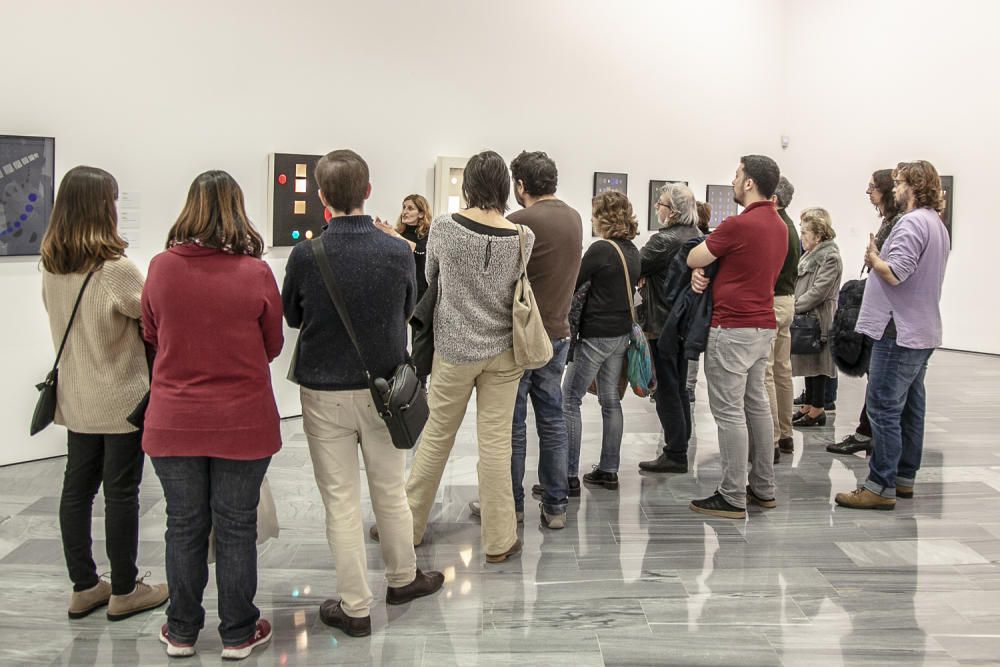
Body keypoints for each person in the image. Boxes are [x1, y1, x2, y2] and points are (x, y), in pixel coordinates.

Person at [282, 150, 444, 637]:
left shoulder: (306, 255)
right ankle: (403, 578)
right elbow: (408, 309)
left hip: (323, 391)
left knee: (340, 500)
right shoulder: (397, 251)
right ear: (369, 192)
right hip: (385, 389)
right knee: (390, 491)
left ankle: (355, 606)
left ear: (322, 197)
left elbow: (293, 316)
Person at [143, 171, 281, 660]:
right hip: (243, 420)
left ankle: (181, 630)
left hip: (173, 419)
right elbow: (273, 344)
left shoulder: (160, 267)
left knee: (184, 525)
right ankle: (239, 632)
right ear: (237, 210)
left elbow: (152, 333)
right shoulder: (256, 273)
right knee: (236, 525)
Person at [39, 166, 168, 623]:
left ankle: (84, 586)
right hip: (121, 400)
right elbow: (152, 317)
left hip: (77, 400)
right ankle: (126, 589)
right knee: (121, 493)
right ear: (103, 208)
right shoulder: (117, 270)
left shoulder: (52, 265)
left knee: (76, 489)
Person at [400, 150, 533, 563]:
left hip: (455, 351)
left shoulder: (443, 228)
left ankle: (408, 528)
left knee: (436, 437)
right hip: (505, 353)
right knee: (495, 446)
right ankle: (499, 541)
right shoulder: (522, 236)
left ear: (470, 185)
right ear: (505, 187)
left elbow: (430, 278)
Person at [469, 150, 582, 529]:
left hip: (521, 338)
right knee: (551, 418)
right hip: (559, 334)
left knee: (512, 424)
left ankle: (511, 507)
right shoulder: (574, 217)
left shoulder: (517, 222)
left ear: (520, 186)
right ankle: (556, 507)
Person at [835, 160, 950, 510]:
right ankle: (903, 478)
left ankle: (879, 485)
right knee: (911, 408)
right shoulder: (935, 224)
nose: (895, 189)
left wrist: (873, 256)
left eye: (899, 183)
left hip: (897, 330)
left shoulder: (912, 222)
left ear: (913, 187)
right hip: (919, 329)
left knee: (883, 407)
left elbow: (896, 273)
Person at [686, 155, 788, 519]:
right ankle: (763, 487)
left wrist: (700, 270)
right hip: (762, 325)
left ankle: (731, 494)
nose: (733, 180)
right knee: (756, 405)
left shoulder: (737, 224)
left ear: (749, 183)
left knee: (729, 412)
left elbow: (695, 255)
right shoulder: (779, 225)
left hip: (732, 328)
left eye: (737, 175)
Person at [563, 191, 641, 491]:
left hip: (596, 335)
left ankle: (568, 475)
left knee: (569, 399)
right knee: (611, 401)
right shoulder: (632, 250)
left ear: (603, 216)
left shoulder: (601, 250)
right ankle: (609, 469)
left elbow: (573, 282)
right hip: (621, 335)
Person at [827, 169, 903, 455]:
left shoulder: (898, 223)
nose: (868, 193)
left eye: (872, 187)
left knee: (881, 380)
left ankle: (869, 437)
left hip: (887, 316)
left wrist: (873, 258)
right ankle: (866, 432)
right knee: (878, 377)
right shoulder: (890, 222)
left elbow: (893, 269)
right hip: (881, 312)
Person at [636, 183, 701, 473]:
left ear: (672, 211)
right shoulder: (696, 235)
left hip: (661, 323)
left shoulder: (663, 241)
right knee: (679, 386)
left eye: (660, 203)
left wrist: (643, 277)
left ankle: (675, 452)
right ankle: (681, 441)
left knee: (665, 389)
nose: (656, 208)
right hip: (683, 322)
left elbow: (635, 265)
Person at [790, 208, 843, 427]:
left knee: (819, 364)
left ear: (818, 236)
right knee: (809, 361)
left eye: (805, 233)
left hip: (819, 317)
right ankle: (809, 405)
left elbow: (819, 291)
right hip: (808, 314)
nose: (801, 237)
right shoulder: (810, 255)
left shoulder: (829, 257)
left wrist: (795, 305)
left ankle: (818, 408)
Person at [766, 177, 801, 462]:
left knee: (767, 372)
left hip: (774, 301)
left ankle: (773, 440)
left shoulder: (778, 228)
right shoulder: (790, 226)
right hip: (786, 301)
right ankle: (786, 434)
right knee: (781, 370)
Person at [685, 201, 712, 401]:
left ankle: (688, 386)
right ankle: (689, 387)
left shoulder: (697, 241)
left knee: (691, 344)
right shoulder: (709, 240)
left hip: (693, 300)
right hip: (705, 302)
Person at [395, 194, 433, 301]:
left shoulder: (428, 234)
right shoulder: (398, 232)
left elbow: (420, 251)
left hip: (420, 291)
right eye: (404, 207)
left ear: (421, 214)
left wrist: (393, 235)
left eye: (410, 208)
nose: (404, 212)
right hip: (400, 289)